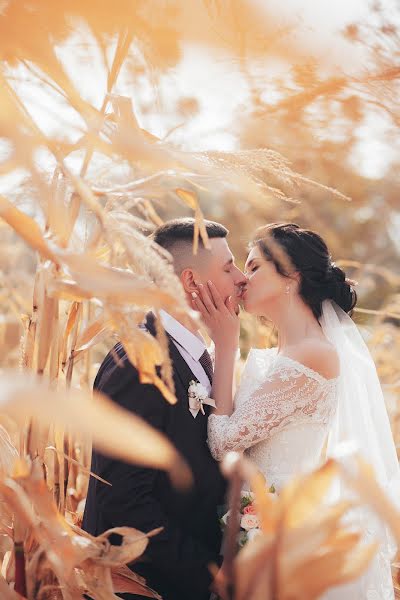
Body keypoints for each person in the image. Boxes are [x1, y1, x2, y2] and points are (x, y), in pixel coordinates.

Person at [192, 222, 399, 599]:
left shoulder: (312, 355)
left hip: (280, 534)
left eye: (254, 267)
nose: (242, 280)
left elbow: (224, 441)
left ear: (291, 276)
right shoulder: (284, 357)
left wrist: (225, 346)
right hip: (253, 527)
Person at [82, 217, 246, 600]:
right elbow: (123, 500)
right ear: (190, 281)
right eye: (228, 267)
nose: (241, 278)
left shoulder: (197, 357)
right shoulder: (141, 363)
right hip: (146, 587)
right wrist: (208, 576)